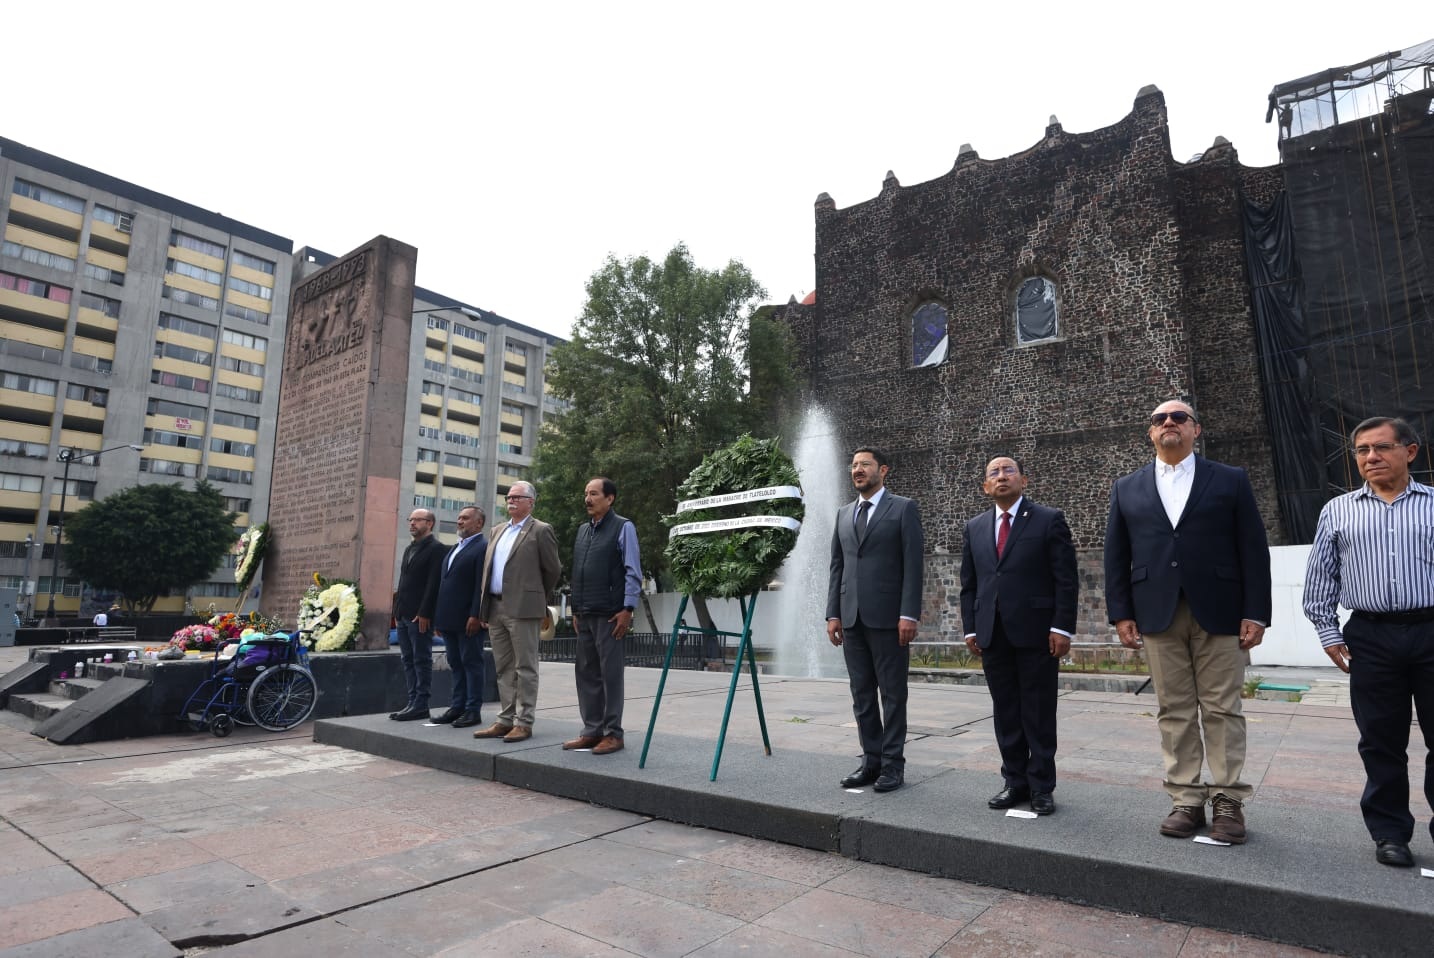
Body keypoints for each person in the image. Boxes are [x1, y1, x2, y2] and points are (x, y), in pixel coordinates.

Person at [1105, 400, 1271, 843]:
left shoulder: (1230, 480)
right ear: (1150, 433)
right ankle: (1186, 799)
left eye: (1178, 418)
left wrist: (1256, 611)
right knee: (1173, 710)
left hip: (1220, 609)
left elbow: (1252, 548)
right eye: (1159, 419)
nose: (1168, 424)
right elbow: (1116, 556)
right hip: (1156, 610)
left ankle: (1228, 800)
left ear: (1196, 429)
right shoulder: (1127, 487)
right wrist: (1121, 613)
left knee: (1222, 708)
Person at [1303, 416, 1434, 868]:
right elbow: (1321, 576)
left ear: (1410, 451)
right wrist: (1327, 631)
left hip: (1431, 630)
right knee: (1380, 741)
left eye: (1381, 448)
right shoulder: (1338, 511)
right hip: (1371, 636)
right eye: (1361, 450)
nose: (1370, 457)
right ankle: (1390, 833)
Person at [960, 456, 1077, 816]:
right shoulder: (975, 527)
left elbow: (1065, 578)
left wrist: (1061, 627)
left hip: (1037, 633)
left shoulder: (1047, 519)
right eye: (993, 473)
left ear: (1023, 480)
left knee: (1038, 711)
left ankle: (1042, 786)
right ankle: (1014, 781)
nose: (1001, 476)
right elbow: (970, 584)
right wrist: (970, 627)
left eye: (1008, 470)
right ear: (985, 487)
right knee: (1006, 711)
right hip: (992, 633)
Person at [826, 447, 924, 794]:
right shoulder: (843, 514)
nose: (857, 470)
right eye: (853, 465)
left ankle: (893, 766)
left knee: (893, 695)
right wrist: (833, 613)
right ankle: (871, 761)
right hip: (851, 618)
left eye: (864, 464)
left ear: (883, 469)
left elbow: (914, 566)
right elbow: (837, 566)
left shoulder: (903, 508)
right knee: (862, 695)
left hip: (889, 619)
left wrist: (908, 613)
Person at [473, 481, 561, 743]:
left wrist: (535, 597)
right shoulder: (497, 530)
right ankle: (505, 719)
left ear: (531, 502)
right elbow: (490, 571)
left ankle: (524, 722)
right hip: (496, 606)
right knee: (503, 667)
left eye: (517, 497)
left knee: (525, 667)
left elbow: (553, 570)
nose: (510, 501)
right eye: (508, 497)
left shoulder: (541, 530)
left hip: (524, 608)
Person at [564, 477, 643, 756]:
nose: (588, 499)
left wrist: (628, 609)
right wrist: (575, 609)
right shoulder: (583, 531)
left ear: (610, 499)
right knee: (586, 674)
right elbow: (578, 574)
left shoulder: (624, 527)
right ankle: (591, 731)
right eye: (586, 493)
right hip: (584, 613)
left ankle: (613, 733)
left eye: (594, 493)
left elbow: (633, 570)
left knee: (610, 675)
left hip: (611, 615)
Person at [431, 505, 489, 728]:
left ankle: (473, 710)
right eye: (459, 518)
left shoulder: (482, 547)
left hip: (468, 619)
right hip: (449, 618)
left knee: (471, 663)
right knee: (455, 663)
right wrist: (439, 618)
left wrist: (476, 614)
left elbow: (479, 585)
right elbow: (445, 584)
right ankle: (457, 706)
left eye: (465, 518)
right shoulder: (456, 547)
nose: (460, 522)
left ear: (478, 523)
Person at [391, 508, 444, 721]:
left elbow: (433, 584)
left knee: (421, 659)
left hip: (419, 616)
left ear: (429, 523)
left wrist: (425, 612)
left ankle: (422, 704)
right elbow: (404, 583)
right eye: (410, 519)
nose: (412, 523)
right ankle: (412, 702)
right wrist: (396, 610)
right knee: (407, 659)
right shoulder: (409, 549)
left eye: (417, 520)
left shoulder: (437, 549)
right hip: (403, 614)